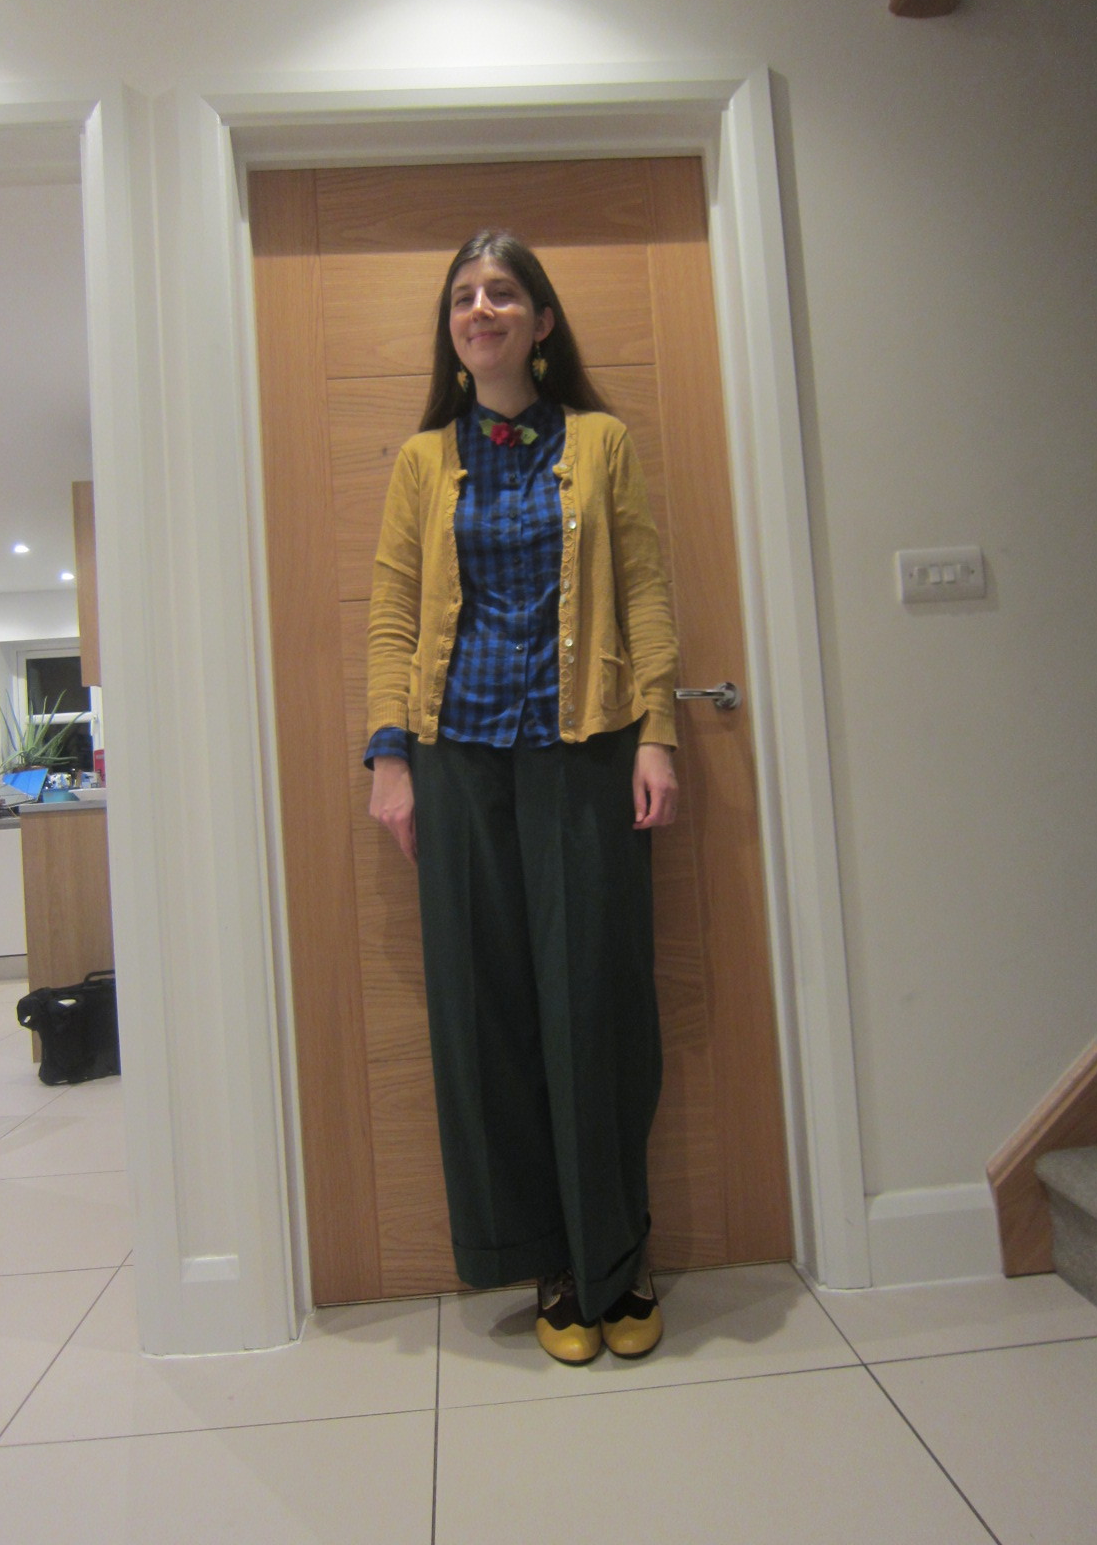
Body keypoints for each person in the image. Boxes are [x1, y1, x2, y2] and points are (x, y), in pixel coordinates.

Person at [366, 230, 679, 1364]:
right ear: (451, 328)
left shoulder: (600, 441)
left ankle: (615, 1259)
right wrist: (389, 757)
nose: (481, 309)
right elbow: (394, 609)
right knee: (486, 1011)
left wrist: (659, 735)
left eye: (503, 293)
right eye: (464, 295)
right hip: (456, 761)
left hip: (584, 754)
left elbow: (643, 589)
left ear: (542, 322)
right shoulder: (423, 460)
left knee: (595, 1006)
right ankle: (548, 1261)